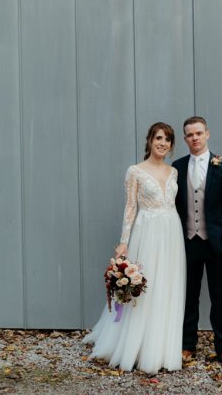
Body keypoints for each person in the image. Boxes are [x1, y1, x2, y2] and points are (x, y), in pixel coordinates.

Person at [83, 122, 186, 373]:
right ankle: (136, 346)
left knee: (167, 287)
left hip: (172, 232)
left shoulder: (173, 172)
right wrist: (123, 242)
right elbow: (130, 208)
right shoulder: (135, 171)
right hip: (147, 232)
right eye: (159, 138)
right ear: (150, 140)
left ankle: (162, 348)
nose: (163, 143)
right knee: (147, 289)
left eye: (168, 140)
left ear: (172, 145)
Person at [171, 116, 222, 370]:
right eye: (190, 134)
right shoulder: (177, 167)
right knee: (189, 295)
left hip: (220, 243)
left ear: (207, 134)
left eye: (199, 133)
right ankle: (187, 344)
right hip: (189, 241)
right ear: (184, 139)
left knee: (219, 297)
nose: (195, 138)